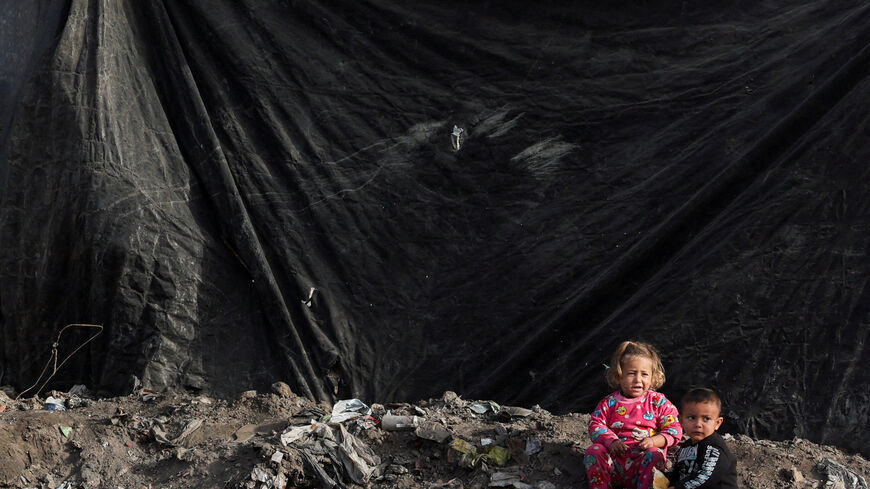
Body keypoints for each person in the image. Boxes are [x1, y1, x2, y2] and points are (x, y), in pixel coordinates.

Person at [584, 340, 683, 489]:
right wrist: (612, 441)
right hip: (615, 466)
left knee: (654, 454)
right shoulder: (609, 403)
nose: (638, 379)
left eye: (644, 374)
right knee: (594, 451)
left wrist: (654, 441)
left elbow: (674, 429)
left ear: (652, 377)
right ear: (618, 376)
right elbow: (595, 424)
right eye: (631, 373)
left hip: (643, 466)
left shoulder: (658, 402)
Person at [666, 388, 738, 489]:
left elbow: (706, 476)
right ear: (681, 420)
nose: (698, 424)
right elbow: (679, 473)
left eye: (706, 419)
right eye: (691, 418)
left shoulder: (714, 447)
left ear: (717, 423)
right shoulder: (685, 446)